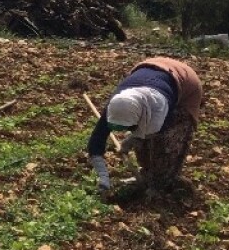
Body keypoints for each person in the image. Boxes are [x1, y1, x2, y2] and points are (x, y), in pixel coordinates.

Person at [87, 56, 203, 201]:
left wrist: (134, 139)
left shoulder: (158, 105)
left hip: (186, 83)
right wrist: (104, 178)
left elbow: (156, 134)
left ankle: (161, 185)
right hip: (150, 67)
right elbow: (95, 144)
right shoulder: (117, 105)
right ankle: (146, 176)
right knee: (143, 143)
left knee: (166, 143)